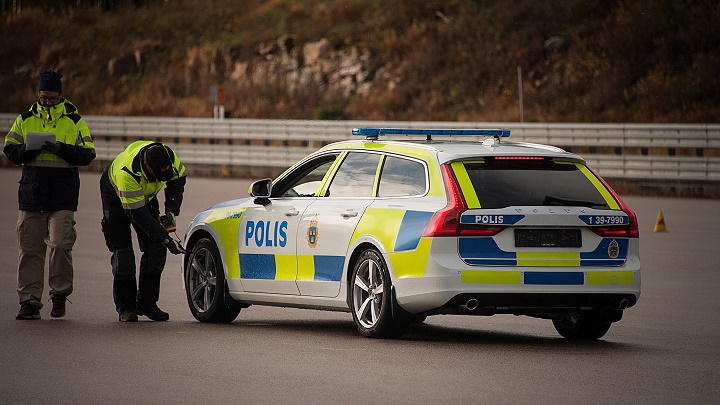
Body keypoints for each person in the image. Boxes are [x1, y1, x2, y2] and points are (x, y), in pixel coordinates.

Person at [3, 69, 96, 320]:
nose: (47, 102)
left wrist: (60, 148)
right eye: (44, 97)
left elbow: (88, 153)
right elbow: (10, 150)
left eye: (52, 98)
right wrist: (29, 150)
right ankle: (29, 301)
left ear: (60, 96)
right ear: (38, 94)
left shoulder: (75, 120)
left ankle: (59, 295)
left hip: (63, 195)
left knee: (61, 246)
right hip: (32, 194)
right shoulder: (24, 119)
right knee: (30, 250)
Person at [100, 140, 187, 322]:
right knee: (124, 256)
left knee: (156, 250)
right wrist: (166, 238)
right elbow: (138, 215)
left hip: (145, 198)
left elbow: (178, 181)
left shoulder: (169, 158)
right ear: (147, 168)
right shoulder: (127, 173)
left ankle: (147, 304)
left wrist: (171, 211)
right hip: (117, 199)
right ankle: (127, 307)